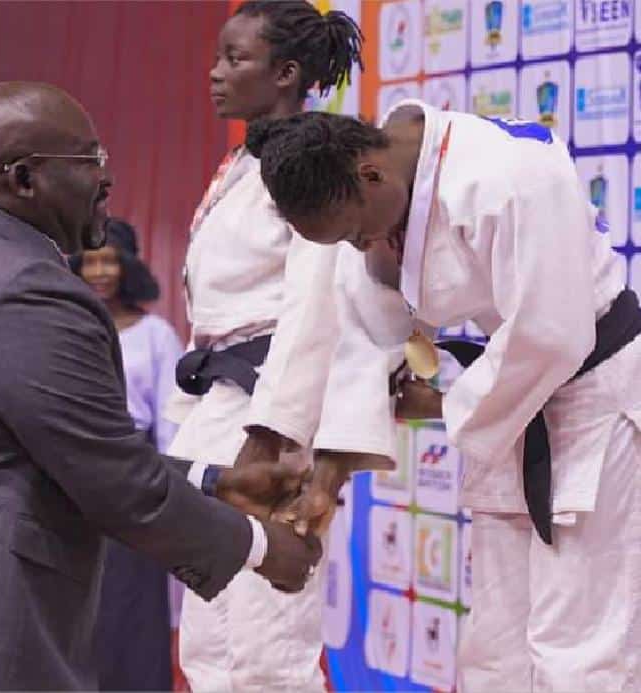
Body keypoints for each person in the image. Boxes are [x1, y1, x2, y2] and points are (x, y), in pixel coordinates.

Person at [246, 101, 641, 691]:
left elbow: (552, 333)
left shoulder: (506, 175)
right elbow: (368, 328)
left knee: (580, 648)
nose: (359, 247)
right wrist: (328, 476)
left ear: (369, 174)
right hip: (513, 402)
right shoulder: (373, 190)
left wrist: (448, 401)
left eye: (356, 232)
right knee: (495, 646)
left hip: (592, 398)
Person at [0, 80, 324, 692]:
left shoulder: (6, 266)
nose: (106, 180)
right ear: (25, 180)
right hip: (11, 584)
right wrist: (263, 549)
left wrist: (217, 481)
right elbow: (114, 480)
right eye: (92, 161)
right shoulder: (33, 290)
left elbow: (84, 451)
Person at [166, 4, 382, 691]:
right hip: (223, 402)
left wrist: (275, 436)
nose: (215, 73)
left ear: (286, 73)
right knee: (210, 632)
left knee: (260, 640)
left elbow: (317, 305)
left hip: (268, 414)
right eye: (217, 57)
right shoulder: (243, 160)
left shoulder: (310, 159)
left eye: (236, 59)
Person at [70, 218, 183, 691]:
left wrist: (168, 492)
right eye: (90, 261)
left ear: (129, 267)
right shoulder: (63, 326)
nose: (99, 272)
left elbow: (171, 419)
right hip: (70, 471)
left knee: (131, 600)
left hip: (133, 476)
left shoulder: (155, 335)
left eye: (109, 261)